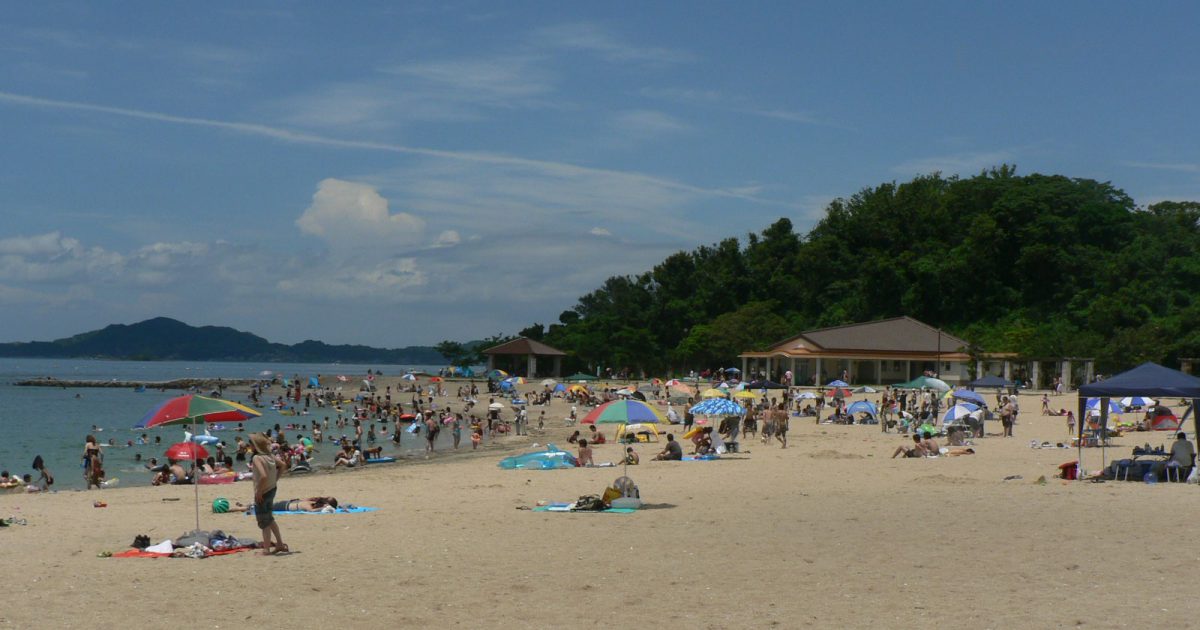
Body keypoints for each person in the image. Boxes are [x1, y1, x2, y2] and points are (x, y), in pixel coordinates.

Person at [250, 432, 288, 554]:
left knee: (263, 521)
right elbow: (283, 465)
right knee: (269, 518)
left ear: (255, 446)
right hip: (272, 489)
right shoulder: (270, 456)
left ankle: (266, 548)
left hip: (263, 491)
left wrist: (259, 491)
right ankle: (280, 544)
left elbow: (263, 476)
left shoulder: (257, 458)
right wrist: (275, 479)